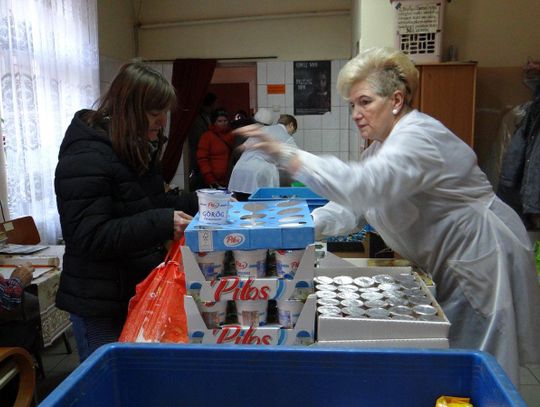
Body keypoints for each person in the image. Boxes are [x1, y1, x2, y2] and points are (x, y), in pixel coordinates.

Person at [234, 47, 540, 386]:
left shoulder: (419, 136)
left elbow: (360, 187)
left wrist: (286, 154)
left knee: (481, 362)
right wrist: (299, 227)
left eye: (364, 102)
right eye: (352, 105)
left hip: (481, 257)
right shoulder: (384, 145)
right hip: (452, 259)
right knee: (457, 355)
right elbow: (352, 207)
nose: (355, 114)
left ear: (396, 99)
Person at [54, 62, 198, 362]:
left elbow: (145, 202)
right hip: (99, 302)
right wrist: (160, 223)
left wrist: (202, 204)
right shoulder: (87, 155)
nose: (161, 122)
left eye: (164, 113)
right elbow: (90, 237)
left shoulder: (129, 146)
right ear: (128, 109)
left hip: (132, 293)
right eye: (154, 113)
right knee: (109, 386)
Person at [228, 109, 298, 201]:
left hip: (239, 171)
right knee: (260, 209)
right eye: (293, 131)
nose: (292, 134)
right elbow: (296, 161)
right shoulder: (287, 137)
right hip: (259, 174)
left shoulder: (262, 130)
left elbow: (243, 148)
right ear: (291, 125)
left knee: (242, 208)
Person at [196, 108, 235, 189]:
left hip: (230, 179)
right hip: (212, 181)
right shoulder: (207, 136)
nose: (223, 123)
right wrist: (210, 178)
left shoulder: (232, 135)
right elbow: (202, 159)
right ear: (214, 122)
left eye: (225, 120)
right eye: (220, 121)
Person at [187, 92, 217, 191]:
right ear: (211, 104)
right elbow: (197, 139)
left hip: (199, 154)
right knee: (199, 180)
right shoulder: (199, 119)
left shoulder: (205, 117)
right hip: (198, 154)